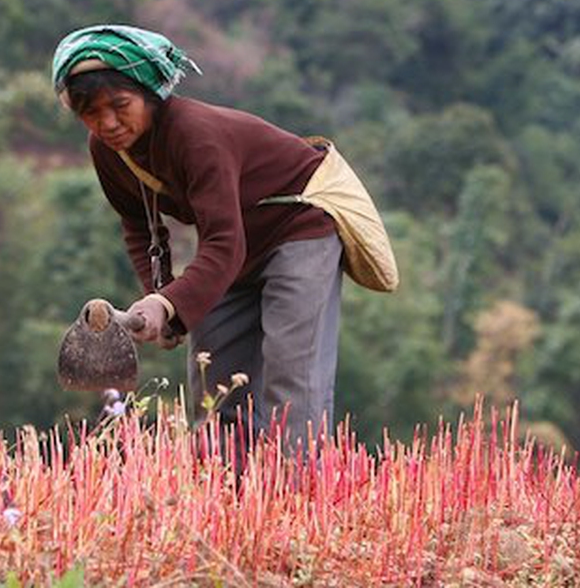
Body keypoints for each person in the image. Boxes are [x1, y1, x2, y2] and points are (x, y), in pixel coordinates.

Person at [51, 23, 397, 452]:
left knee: (291, 381)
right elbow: (139, 225)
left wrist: (169, 304)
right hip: (233, 243)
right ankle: (231, 500)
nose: (107, 123)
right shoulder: (107, 150)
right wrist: (160, 301)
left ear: (151, 93)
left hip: (297, 227)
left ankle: (300, 499)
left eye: (120, 105)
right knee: (213, 384)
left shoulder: (196, 136)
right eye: (90, 113)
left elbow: (223, 244)